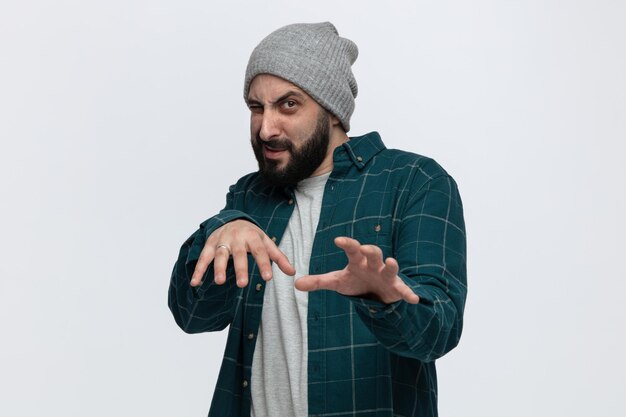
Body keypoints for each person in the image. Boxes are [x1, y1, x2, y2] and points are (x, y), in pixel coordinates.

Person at [169, 22, 467, 417]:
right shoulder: (248, 196)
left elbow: (438, 333)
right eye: (257, 108)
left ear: (332, 111)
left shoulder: (414, 182)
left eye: (288, 105)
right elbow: (193, 316)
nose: (266, 128)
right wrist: (219, 230)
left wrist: (385, 296)